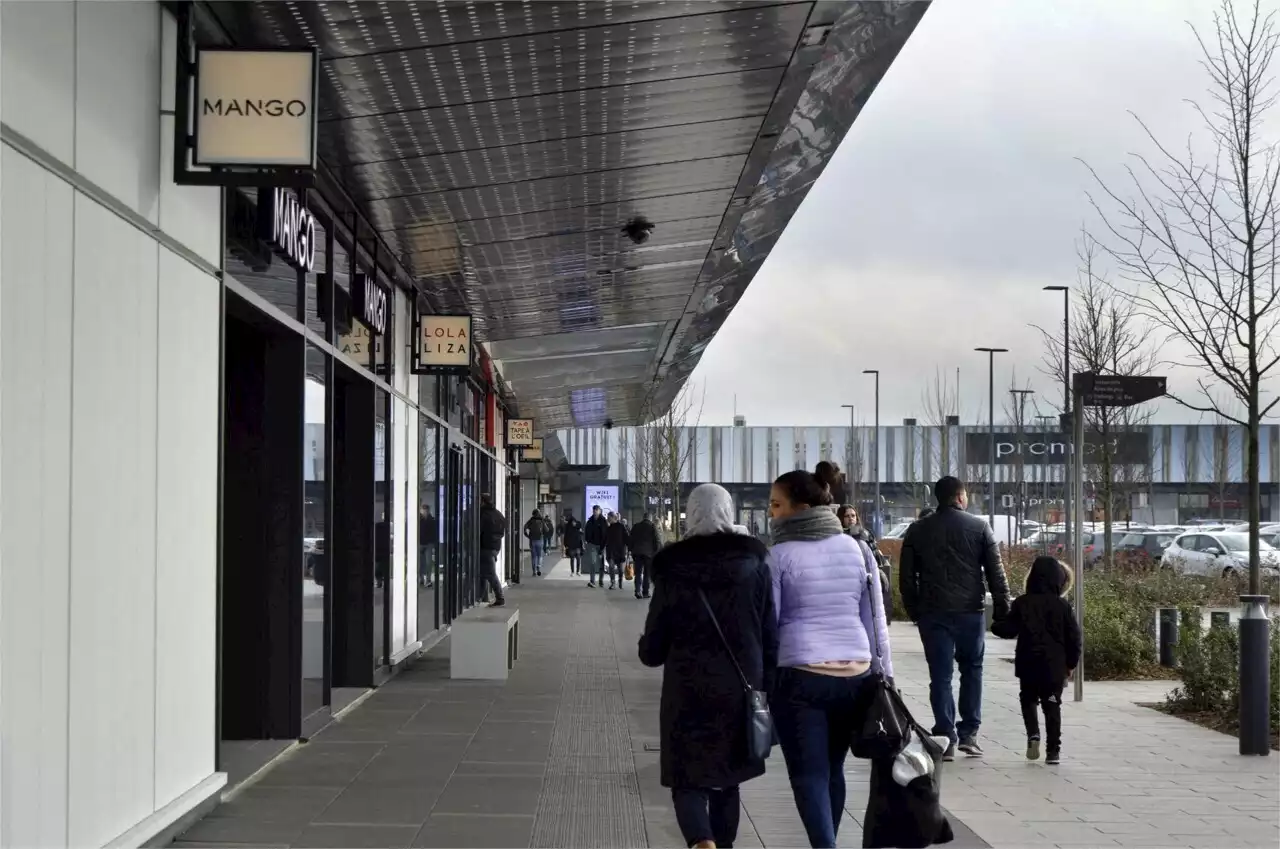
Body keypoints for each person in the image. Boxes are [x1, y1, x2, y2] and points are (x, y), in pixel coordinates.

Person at [638, 484, 777, 849]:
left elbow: (652, 651)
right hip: (740, 690)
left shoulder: (672, 570)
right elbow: (770, 635)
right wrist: (771, 689)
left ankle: (702, 840)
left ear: (691, 514)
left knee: (687, 780)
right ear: (729, 513)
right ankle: (722, 844)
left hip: (688, 693)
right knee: (727, 781)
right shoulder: (755, 566)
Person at [769, 471, 893, 849]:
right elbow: (874, 618)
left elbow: (768, 625)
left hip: (800, 676)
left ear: (800, 509)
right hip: (854, 675)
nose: (771, 513)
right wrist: (883, 673)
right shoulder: (857, 550)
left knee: (808, 774)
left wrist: (762, 681)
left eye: (776, 504)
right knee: (833, 769)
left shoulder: (778, 556)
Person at [899, 475, 1012, 760]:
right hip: (969, 613)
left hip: (933, 613)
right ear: (961, 497)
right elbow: (995, 573)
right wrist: (1002, 609)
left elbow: (906, 578)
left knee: (940, 676)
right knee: (972, 670)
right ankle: (969, 734)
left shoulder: (917, 530)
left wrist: (915, 610)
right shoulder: (979, 527)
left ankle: (945, 735)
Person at [991, 556, 1081, 765]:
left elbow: (1007, 629)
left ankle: (1033, 735)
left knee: (1028, 699)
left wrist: (996, 623)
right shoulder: (1063, 606)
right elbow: (1074, 638)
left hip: (1028, 662)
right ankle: (1053, 751)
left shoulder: (1023, 603)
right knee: (1052, 704)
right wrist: (1070, 664)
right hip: (1054, 665)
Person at [837, 504, 892, 623]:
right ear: (841, 518)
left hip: (866, 577)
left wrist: (880, 572)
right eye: (847, 516)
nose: (851, 518)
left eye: (853, 515)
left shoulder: (865, 534)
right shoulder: (837, 536)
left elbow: (875, 555)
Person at [478, 493, 507, 607]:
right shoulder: (498, 514)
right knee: (483, 573)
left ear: (483, 501)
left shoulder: (483, 514)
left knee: (489, 573)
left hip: (485, 547)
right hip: (495, 547)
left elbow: (478, 530)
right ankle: (481, 597)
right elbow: (504, 528)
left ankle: (500, 597)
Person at [629, 512, 662, 599]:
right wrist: (656, 552)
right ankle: (645, 592)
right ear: (650, 518)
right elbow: (657, 540)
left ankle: (637, 591)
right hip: (648, 554)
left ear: (643, 518)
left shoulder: (636, 526)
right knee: (647, 573)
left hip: (637, 553)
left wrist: (631, 550)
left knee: (638, 573)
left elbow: (630, 539)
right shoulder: (652, 527)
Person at [584, 504, 609, 588]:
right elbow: (587, 530)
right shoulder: (590, 521)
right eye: (594, 510)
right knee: (592, 562)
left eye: (597, 510)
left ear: (600, 511)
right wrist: (587, 540)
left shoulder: (603, 521)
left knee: (601, 563)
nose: (595, 512)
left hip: (601, 545)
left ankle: (601, 580)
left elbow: (606, 534)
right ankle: (592, 581)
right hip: (592, 545)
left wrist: (603, 546)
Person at [605, 512, 630, 590]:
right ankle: (613, 582)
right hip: (611, 551)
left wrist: (630, 548)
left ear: (613, 518)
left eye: (609, 518)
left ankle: (620, 581)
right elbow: (605, 539)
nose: (608, 519)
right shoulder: (608, 528)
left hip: (620, 550)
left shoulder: (621, 527)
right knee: (611, 566)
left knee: (620, 569)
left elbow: (626, 537)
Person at [560, 510, 584, 575]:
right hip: (572, 545)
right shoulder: (568, 526)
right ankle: (573, 571)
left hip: (576, 545)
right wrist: (565, 544)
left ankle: (577, 571)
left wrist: (575, 524)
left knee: (577, 558)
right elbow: (566, 535)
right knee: (573, 558)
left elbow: (579, 525)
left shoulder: (577, 524)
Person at [524, 509, 547, 577]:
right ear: (538, 514)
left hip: (532, 541)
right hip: (539, 540)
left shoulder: (530, 520)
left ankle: (534, 572)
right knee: (539, 555)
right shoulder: (541, 520)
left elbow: (524, 528)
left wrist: (528, 536)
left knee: (533, 557)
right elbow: (547, 529)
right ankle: (538, 567)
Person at [419, 505, 437, 588]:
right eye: (423, 510)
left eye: (426, 510)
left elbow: (434, 533)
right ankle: (421, 578)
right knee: (420, 562)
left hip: (428, 543)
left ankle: (428, 579)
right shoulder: (418, 520)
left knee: (428, 562)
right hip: (420, 543)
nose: (425, 512)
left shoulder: (432, 520)